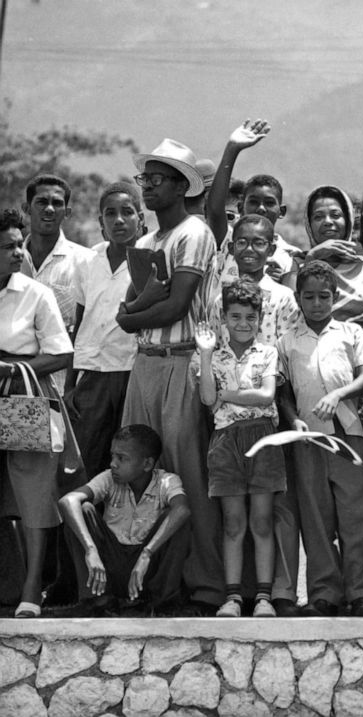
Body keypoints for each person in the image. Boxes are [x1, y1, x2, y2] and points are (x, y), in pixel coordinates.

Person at [115, 138, 222, 609]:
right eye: (146, 179)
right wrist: (133, 314)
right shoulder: (142, 243)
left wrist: (129, 317)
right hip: (145, 364)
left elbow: (175, 305)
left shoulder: (193, 232)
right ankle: (145, 582)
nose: (148, 188)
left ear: (182, 186)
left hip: (182, 361)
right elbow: (135, 306)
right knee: (137, 477)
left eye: (158, 180)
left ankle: (204, 584)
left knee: (185, 474)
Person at [276, 260, 363, 617]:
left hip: (349, 435)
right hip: (308, 438)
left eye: (324, 296)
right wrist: (293, 420)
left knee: (357, 515)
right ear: (298, 298)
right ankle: (324, 592)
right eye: (309, 297)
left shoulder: (350, 333)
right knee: (316, 517)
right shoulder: (287, 340)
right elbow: (283, 390)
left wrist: (338, 395)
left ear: (335, 297)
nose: (317, 303)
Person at [193, 281, 286, 618]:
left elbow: (265, 396)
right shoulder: (212, 356)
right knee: (234, 522)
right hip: (226, 440)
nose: (243, 323)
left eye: (250, 317)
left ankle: (263, 597)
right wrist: (204, 354)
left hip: (262, 438)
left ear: (260, 319)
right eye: (235, 316)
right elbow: (206, 399)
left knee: (261, 521)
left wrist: (226, 395)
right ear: (224, 318)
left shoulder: (267, 352)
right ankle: (232, 597)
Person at [0, 208, 74, 617]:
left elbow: (62, 353)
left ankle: (32, 590)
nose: (18, 252)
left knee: (33, 493)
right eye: (8, 246)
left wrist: (11, 368)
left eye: (18, 244)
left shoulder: (35, 292)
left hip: (22, 396)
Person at [58, 425, 190, 615]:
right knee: (82, 510)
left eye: (122, 458)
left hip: (144, 570)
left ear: (147, 464)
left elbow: (182, 509)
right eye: (113, 456)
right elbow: (68, 501)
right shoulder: (108, 479)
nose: (113, 463)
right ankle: (96, 600)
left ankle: (162, 603)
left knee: (177, 519)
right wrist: (90, 549)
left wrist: (147, 554)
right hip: (108, 568)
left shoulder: (166, 481)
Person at [65, 182, 143, 478]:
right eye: (110, 214)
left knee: (129, 459)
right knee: (85, 460)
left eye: (127, 212)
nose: (119, 220)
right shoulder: (87, 261)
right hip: (92, 374)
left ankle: (121, 524)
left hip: (130, 371)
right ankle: (81, 523)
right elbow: (80, 322)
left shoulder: (148, 259)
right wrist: (70, 385)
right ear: (101, 222)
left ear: (140, 218)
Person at [206, 120, 297, 290]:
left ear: (281, 211)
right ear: (240, 208)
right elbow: (214, 210)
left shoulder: (291, 256)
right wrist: (232, 149)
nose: (261, 208)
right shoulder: (227, 240)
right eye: (253, 202)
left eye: (269, 203)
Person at [305, 185, 363, 330]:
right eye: (318, 217)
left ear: (348, 221)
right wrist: (312, 258)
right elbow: (292, 319)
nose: (327, 221)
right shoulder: (297, 267)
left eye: (335, 215)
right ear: (309, 224)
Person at [19, 174, 94, 336]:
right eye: (42, 202)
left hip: (63, 358)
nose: (50, 209)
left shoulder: (86, 261)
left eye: (57, 203)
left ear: (67, 212)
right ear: (26, 209)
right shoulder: (9, 260)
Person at [209, 215, 299, 347]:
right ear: (231, 248)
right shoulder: (222, 300)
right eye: (242, 242)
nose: (249, 249)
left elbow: (288, 350)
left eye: (259, 243)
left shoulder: (283, 298)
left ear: (271, 250)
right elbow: (215, 346)